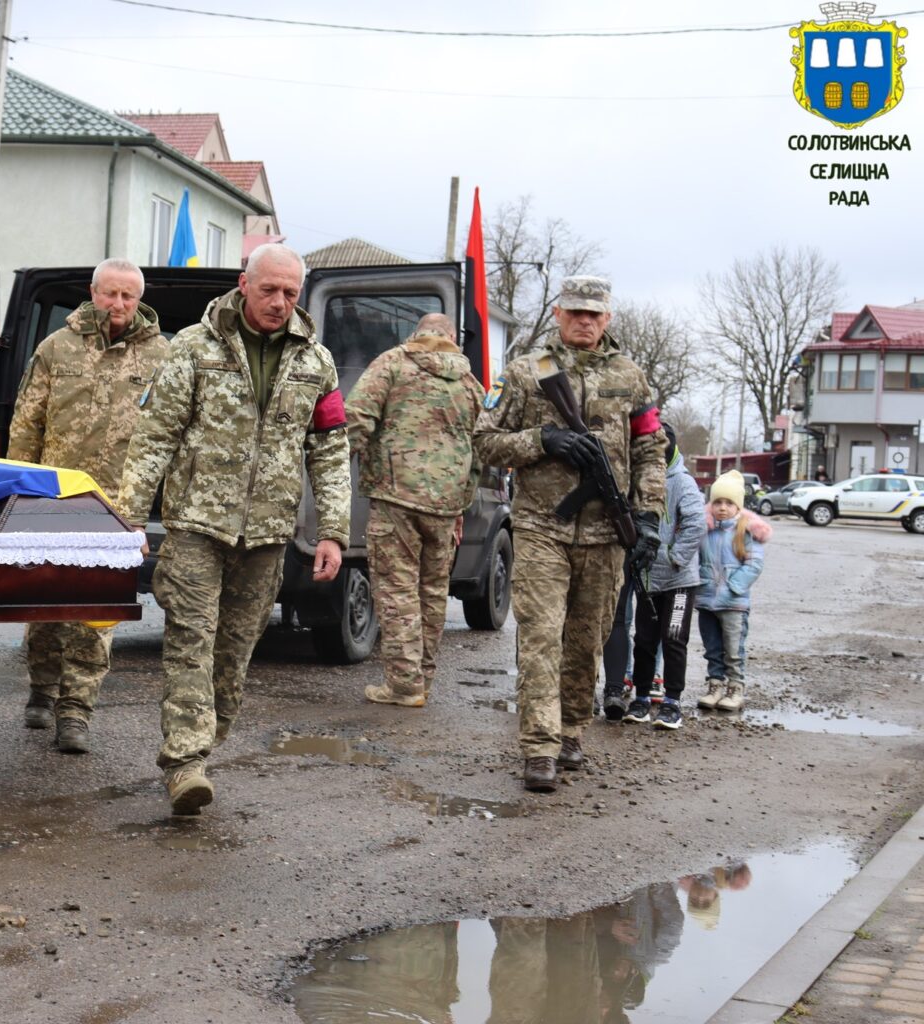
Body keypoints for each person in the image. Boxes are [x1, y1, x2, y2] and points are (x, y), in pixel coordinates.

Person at [118, 243, 350, 815]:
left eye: (290, 293)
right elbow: (155, 436)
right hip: (197, 526)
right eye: (268, 290)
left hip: (267, 535)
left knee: (234, 654)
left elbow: (329, 451)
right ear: (244, 285)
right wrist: (130, 517)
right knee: (190, 641)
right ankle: (185, 762)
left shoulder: (316, 362)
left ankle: (206, 739)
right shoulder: (193, 348)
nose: (279, 302)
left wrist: (333, 530)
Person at [473, 275, 666, 793]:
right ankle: (540, 746)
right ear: (558, 313)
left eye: (594, 314)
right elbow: (484, 440)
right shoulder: (527, 371)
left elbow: (651, 450)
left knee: (586, 641)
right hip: (541, 526)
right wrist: (543, 440)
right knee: (540, 637)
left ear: (608, 319)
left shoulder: (631, 376)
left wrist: (649, 516)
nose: (584, 320)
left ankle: (572, 730)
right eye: (575, 311)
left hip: (606, 532)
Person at [6, 257, 168, 754]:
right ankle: (42, 687)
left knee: (98, 610)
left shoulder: (162, 355)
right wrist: (17, 491)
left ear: (139, 299)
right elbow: (27, 423)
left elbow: (170, 433)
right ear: (92, 292)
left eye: (127, 296)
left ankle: (76, 710)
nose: (117, 304)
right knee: (44, 602)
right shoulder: (56, 347)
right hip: (53, 496)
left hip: (117, 503)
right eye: (109, 293)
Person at [344, 311, 483, 708]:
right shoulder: (470, 384)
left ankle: (404, 685)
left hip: (395, 499)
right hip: (445, 507)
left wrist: (333, 473)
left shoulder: (392, 363)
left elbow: (356, 418)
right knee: (433, 593)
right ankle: (423, 679)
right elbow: (479, 451)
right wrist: (461, 504)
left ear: (416, 333)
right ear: (452, 338)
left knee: (397, 590)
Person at [619, 422, 706, 729]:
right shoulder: (639, 480)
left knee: (673, 639)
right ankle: (641, 698)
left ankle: (672, 703)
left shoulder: (682, 482)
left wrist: (674, 557)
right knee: (644, 640)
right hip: (647, 579)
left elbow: (696, 523)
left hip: (679, 580)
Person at [697, 471, 767, 713]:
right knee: (712, 649)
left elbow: (754, 564)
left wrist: (733, 587)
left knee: (734, 649)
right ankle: (715, 685)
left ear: (738, 506)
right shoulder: (705, 530)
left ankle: (735, 687)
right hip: (706, 601)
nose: (722, 508)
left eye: (729, 503)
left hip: (734, 604)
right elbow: (695, 560)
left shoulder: (745, 531)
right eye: (717, 502)